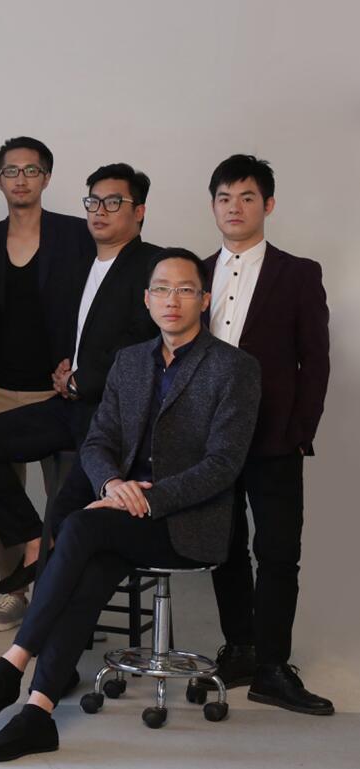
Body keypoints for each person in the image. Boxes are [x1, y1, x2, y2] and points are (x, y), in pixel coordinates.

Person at [0, 248, 261, 762]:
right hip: (121, 515)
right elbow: (98, 442)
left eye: (185, 289)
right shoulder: (131, 361)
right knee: (90, 565)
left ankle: (14, 661)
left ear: (204, 300)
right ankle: (37, 713)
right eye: (161, 289)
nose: (172, 299)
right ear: (147, 299)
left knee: (80, 529)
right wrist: (113, 485)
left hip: (186, 523)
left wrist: (146, 498)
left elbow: (222, 465)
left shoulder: (235, 368)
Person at [0, 163, 159, 599]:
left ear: (139, 212)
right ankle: (34, 540)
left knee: (72, 511)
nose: (99, 211)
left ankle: (59, 602)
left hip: (111, 417)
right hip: (70, 404)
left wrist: (83, 380)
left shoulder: (152, 265)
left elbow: (143, 341)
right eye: (93, 202)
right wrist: (64, 369)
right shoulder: (83, 264)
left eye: (113, 202)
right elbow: (70, 329)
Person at [199, 155, 333, 715]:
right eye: (224, 197)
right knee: (223, 548)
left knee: (277, 551)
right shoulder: (194, 272)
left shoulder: (297, 273)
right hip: (208, 440)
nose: (234, 207)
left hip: (275, 436)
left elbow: (315, 360)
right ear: (213, 206)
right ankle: (241, 650)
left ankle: (274, 668)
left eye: (247, 197)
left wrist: (300, 431)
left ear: (268, 205)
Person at [0, 137, 96, 633]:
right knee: (5, 497)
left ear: (46, 177)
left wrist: (81, 370)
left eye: (30, 170)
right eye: (11, 171)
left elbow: (98, 305)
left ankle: (58, 594)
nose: (20, 179)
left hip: (59, 389)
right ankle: (15, 593)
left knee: (65, 496)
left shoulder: (77, 235)